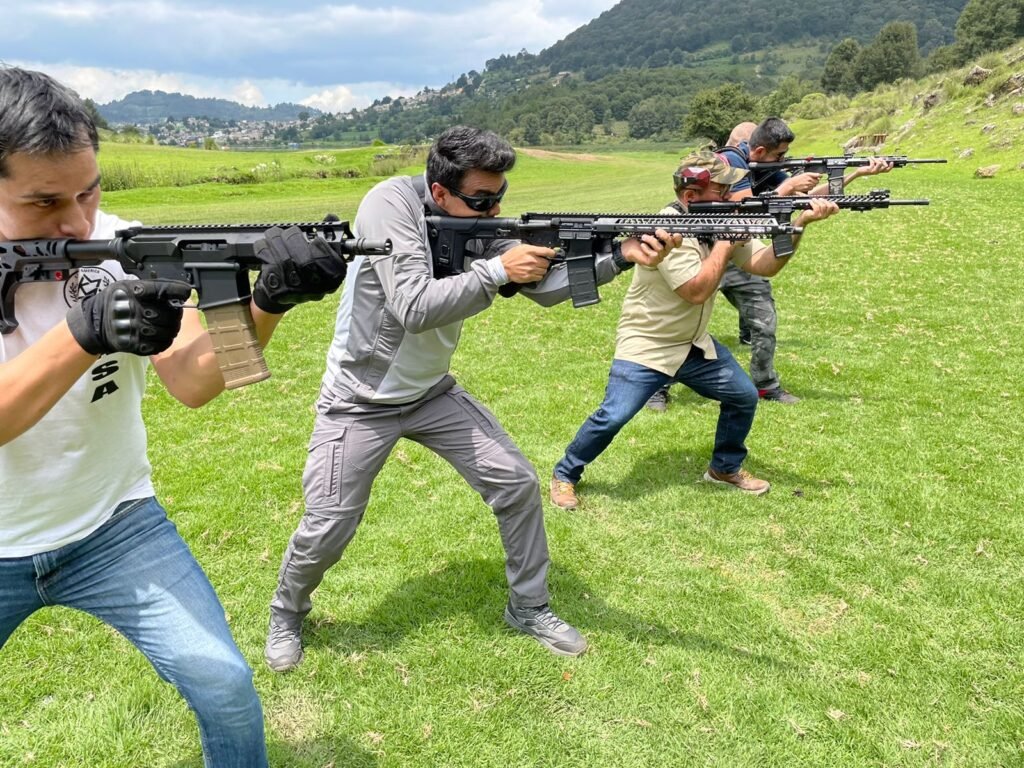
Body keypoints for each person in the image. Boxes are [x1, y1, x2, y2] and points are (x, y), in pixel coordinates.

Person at [0, 66, 347, 767]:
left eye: (89, 190)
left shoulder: (122, 247)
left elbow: (193, 382)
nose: (77, 221)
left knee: (223, 682)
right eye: (44, 203)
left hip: (114, 525)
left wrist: (268, 302)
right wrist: (84, 331)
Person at [265, 125, 676, 671]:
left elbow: (544, 289)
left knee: (515, 480)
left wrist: (620, 257)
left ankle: (528, 607)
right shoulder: (389, 203)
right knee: (330, 520)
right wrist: (496, 269)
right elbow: (413, 305)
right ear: (440, 194)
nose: (493, 210)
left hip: (431, 391)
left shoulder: (477, 220)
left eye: (499, 197)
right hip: (360, 400)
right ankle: (286, 612)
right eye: (481, 200)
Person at [549, 150, 839, 511]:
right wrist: (725, 242)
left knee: (743, 396)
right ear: (691, 197)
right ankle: (565, 474)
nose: (734, 198)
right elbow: (696, 290)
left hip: (693, 344)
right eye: (723, 191)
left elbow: (765, 266)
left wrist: (798, 226)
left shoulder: (718, 222)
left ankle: (724, 468)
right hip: (648, 344)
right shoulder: (667, 231)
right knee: (614, 415)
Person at [646, 116, 890, 411]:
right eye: (780, 156)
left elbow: (798, 204)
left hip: (737, 247)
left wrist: (851, 177)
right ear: (759, 151)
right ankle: (655, 386)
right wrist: (788, 188)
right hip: (709, 245)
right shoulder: (726, 165)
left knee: (763, 320)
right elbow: (742, 207)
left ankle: (765, 386)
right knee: (675, 322)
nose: (784, 161)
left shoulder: (766, 170)